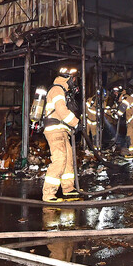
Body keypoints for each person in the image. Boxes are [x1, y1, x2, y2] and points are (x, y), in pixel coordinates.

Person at [42, 66, 80, 203]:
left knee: (68, 158)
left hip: (62, 129)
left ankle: (68, 188)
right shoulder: (57, 89)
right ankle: (48, 194)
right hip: (54, 130)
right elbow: (62, 111)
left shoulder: (63, 90)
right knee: (59, 159)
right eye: (73, 79)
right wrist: (76, 123)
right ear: (68, 78)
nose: (74, 82)